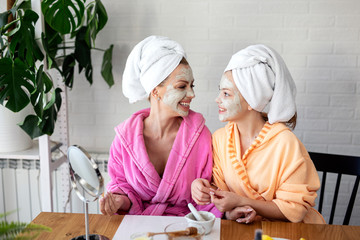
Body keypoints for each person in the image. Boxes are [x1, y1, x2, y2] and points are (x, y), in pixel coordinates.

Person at [191, 44, 325, 224]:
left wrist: (243, 202)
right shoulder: (220, 139)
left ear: (252, 101)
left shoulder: (285, 142)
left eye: (226, 94)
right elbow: (221, 191)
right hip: (245, 229)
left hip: (291, 231)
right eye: (220, 91)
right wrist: (202, 187)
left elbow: (295, 209)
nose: (218, 99)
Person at [100, 35, 221, 217]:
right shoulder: (124, 140)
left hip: (187, 228)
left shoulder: (200, 136)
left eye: (192, 85)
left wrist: (208, 194)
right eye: (182, 86)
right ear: (155, 90)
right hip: (139, 230)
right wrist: (118, 201)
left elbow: (209, 195)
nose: (192, 93)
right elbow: (121, 186)